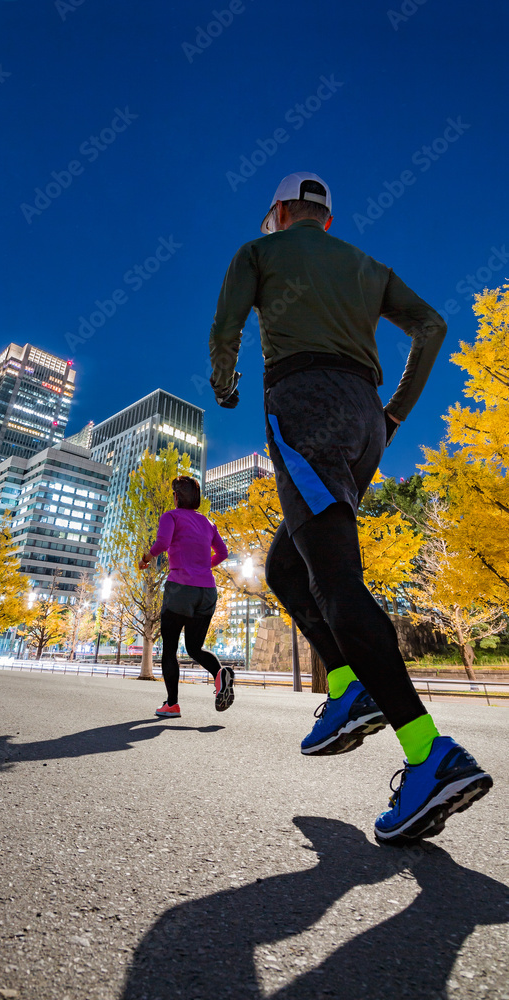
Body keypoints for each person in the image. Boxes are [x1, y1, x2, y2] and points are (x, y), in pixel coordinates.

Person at [208, 171, 493, 844]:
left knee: (335, 581)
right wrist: (393, 413)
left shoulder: (258, 251)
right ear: (326, 219)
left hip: (304, 405)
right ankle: (347, 687)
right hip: (365, 420)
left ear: (279, 212)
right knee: (286, 566)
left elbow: (225, 329)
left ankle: (429, 754)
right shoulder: (366, 265)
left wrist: (223, 383)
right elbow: (431, 324)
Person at [139, 475, 234, 718]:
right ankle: (220, 674)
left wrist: (146, 559)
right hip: (207, 592)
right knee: (194, 647)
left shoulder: (170, 516)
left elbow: (162, 543)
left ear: (177, 497)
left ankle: (172, 704)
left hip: (181, 589)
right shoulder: (207, 523)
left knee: (169, 650)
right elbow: (222, 553)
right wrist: (203, 567)